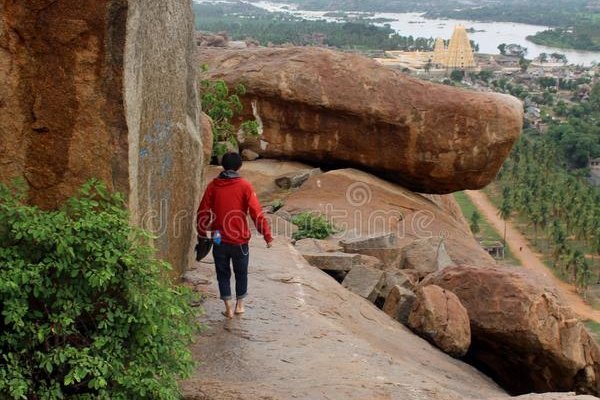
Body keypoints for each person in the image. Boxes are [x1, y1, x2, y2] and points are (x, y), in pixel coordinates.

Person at [197, 152, 273, 319]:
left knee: (222, 273)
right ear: (239, 166)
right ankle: (240, 305)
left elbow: (203, 211)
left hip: (218, 237)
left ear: (223, 165)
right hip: (239, 239)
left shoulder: (213, 186)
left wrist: (202, 232)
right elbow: (256, 213)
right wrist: (267, 236)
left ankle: (228, 307)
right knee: (241, 272)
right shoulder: (244, 186)